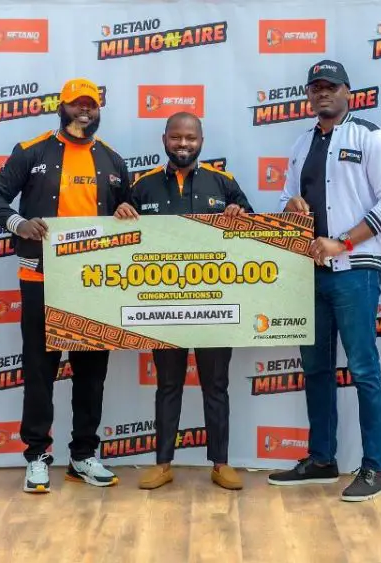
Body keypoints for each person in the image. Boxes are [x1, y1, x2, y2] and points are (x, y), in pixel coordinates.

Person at [0, 78, 130, 493]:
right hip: (41, 278)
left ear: (98, 110)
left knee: (91, 374)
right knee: (40, 371)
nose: (84, 110)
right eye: (76, 104)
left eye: (91, 105)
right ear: (61, 108)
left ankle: (83, 455)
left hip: (93, 284)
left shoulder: (113, 159)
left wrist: (125, 208)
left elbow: (131, 210)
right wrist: (19, 223)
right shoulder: (32, 151)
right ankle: (36, 457)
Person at [267, 60, 381, 501]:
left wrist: (342, 243)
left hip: (356, 270)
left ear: (348, 92)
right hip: (310, 271)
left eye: (331, 86)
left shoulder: (370, 136)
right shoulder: (301, 144)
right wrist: (290, 206)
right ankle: (322, 459)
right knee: (316, 369)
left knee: (363, 369)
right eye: (315, 87)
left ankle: (375, 468)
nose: (322, 92)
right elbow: (286, 199)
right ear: (308, 95)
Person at [115, 111, 253, 490]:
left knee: (216, 385)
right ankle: (163, 464)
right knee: (168, 385)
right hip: (163, 307)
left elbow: (254, 234)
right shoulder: (142, 186)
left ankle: (221, 464)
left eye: (190, 138)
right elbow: (120, 238)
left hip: (215, 305)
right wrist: (121, 213)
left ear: (201, 142)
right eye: (176, 137)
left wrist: (240, 214)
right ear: (164, 140)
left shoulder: (223, 183)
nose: (183, 144)